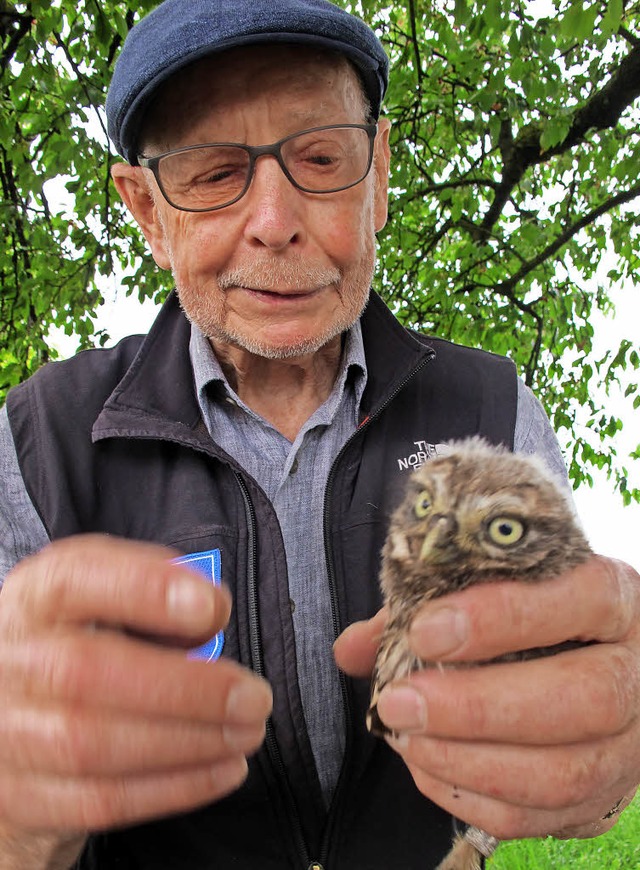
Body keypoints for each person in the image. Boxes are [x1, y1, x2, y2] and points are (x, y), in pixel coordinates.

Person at [0, 0, 638, 867]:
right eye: (215, 172)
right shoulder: (41, 440)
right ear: (148, 212)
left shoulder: (494, 408)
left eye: (321, 158)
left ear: (376, 180)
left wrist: (598, 747)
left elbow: (566, 691)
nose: (274, 219)